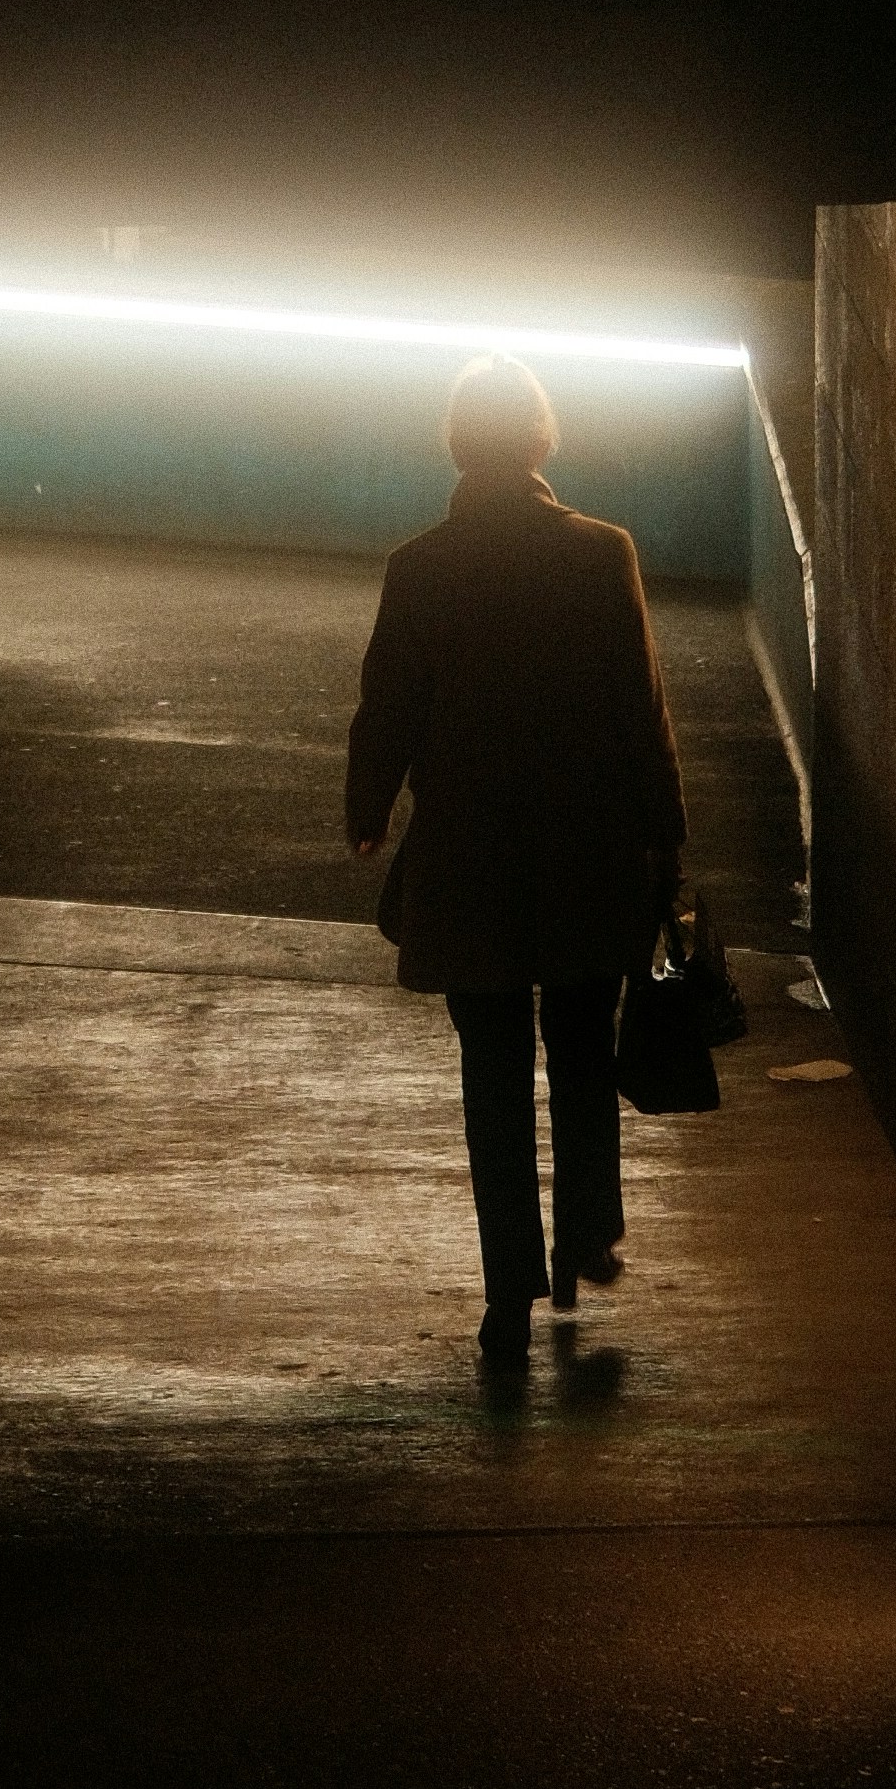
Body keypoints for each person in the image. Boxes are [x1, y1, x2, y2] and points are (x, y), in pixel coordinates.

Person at [347, 357, 687, 1366]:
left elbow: (389, 700)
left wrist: (368, 809)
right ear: (542, 439)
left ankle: (508, 1291)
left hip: (470, 858)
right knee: (582, 1048)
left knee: (491, 1072)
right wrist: (665, 830)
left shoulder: (420, 566)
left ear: (458, 445)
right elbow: (641, 705)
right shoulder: (603, 554)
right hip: (587, 848)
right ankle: (586, 1232)